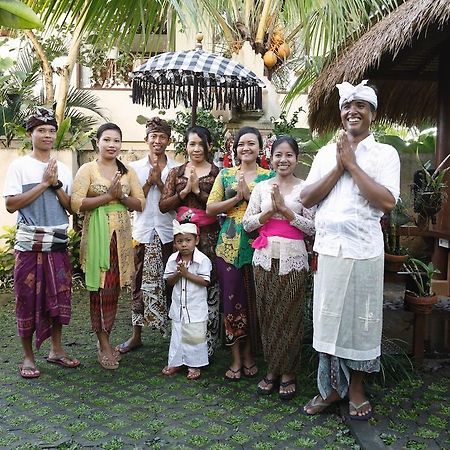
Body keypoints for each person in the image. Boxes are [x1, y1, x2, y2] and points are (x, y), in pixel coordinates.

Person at [300, 80, 400, 419]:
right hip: (329, 250)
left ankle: (356, 389)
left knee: (362, 323)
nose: (352, 110)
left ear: (372, 114)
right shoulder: (328, 152)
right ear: (341, 113)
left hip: (365, 251)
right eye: (347, 105)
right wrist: (339, 165)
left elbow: (387, 202)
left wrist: (354, 166)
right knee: (327, 323)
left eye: (360, 106)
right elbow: (307, 198)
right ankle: (328, 390)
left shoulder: (385, 154)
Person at [4, 107, 79, 378]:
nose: (47, 135)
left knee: (59, 298)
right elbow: (11, 205)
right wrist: (43, 184)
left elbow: (71, 208)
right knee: (26, 299)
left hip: (57, 244)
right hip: (29, 246)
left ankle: (57, 350)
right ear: (30, 133)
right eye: (41, 130)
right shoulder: (20, 166)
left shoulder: (65, 168)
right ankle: (27, 357)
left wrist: (56, 184)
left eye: (51, 130)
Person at [243, 136, 315, 399]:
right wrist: (267, 213)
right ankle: (272, 370)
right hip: (264, 257)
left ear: (297, 159)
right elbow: (247, 225)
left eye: (289, 155)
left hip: (294, 257)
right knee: (268, 312)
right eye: (278, 155)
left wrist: (286, 212)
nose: (283, 160)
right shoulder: (261, 187)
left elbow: (313, 228)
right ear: (270, 158)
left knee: (290, 315)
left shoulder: (306, 189)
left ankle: (288, 373)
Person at [71, 123, 145, 370]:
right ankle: (103, 343)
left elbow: (140, 203)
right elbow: (76, 203)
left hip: (121, 239)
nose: (112, 145)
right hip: (97, 236)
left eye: (116, 140)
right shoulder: (88, 169)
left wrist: (122, 197)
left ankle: (107, 336)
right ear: (98, 142)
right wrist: (109, 197)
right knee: (100, 289)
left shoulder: (127, 171)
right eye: (107, 140)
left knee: (113, 289)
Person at [206, 126, 273, 381]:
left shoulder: (270, 176)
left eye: (251, 143)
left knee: (255, 299)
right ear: (235, 149)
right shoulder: (225, 175)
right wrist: (238, 198)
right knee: (233, 300)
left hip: (261, 241)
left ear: (260, 148)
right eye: (241, 144)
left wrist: (252, 195)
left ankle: (250, 354)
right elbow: (211, 208)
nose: (246, 148)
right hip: (230, 244)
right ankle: (235, 356)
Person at [116, 117, 179, 354]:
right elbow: (133, 205)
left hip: (168, 233)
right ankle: (136, 335)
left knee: (171, 283)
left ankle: (174, 335)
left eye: (162, 137)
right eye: (153, 137)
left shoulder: (175, 169)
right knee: (138, 284)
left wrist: (160, 183)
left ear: (168, 141)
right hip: (142, 234)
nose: (158, 141)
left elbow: (176, 204)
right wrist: (148, 183)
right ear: (146, 140)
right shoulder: (133, 169)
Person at [159, 126, 220, 356]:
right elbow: (164, 206)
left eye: (200, 144)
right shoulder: (176, 172)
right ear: (185, 146)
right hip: (183, 240)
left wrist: (199, 191)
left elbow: (219, 205)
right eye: (191, 143)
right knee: (181, 283)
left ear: (209, 146)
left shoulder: (217, 173)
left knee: (208, 285)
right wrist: (185, 192)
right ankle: (181, 345)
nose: (196, 148)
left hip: (209, 238)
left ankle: (207, 346)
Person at [161, 220, 212, 380]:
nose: (184, 245)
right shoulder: (172, 259)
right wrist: (178, 273)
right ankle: (176, 362)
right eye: (179, 241)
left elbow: (205, 282)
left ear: (196, 240)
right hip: (179, 307)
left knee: (194, 336)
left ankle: (194, 364)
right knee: (177, 335)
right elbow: (169, 281)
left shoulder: (203, 260)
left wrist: (187, 274)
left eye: (188, 240)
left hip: (195, 308)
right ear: (175, 244)